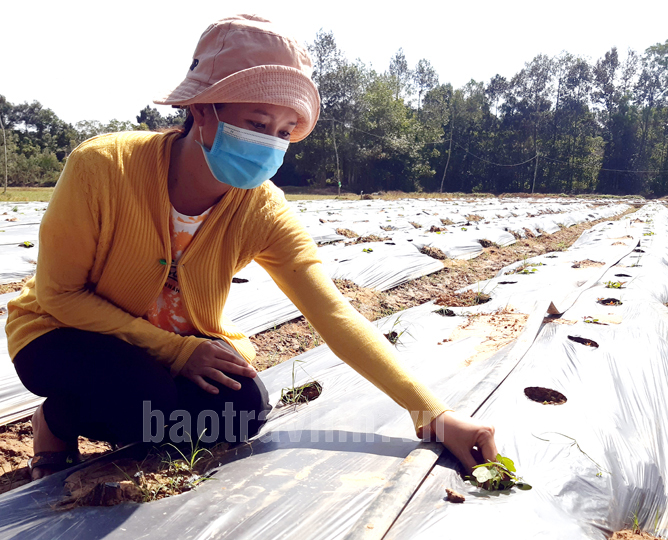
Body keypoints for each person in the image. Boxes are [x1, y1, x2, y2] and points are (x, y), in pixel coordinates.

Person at [6, 14, 497, 481]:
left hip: (167, 347)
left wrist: (432, 413)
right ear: (203, 111)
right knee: (140, 398)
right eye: (258, 124)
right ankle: (56, 419)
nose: (271, 144)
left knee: (241, 412)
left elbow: (334, 315)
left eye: (285, 132)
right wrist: (176, 351)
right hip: (63, 329)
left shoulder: (262, 210)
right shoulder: (103, 167)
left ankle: (117, 410)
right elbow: (61, 295)